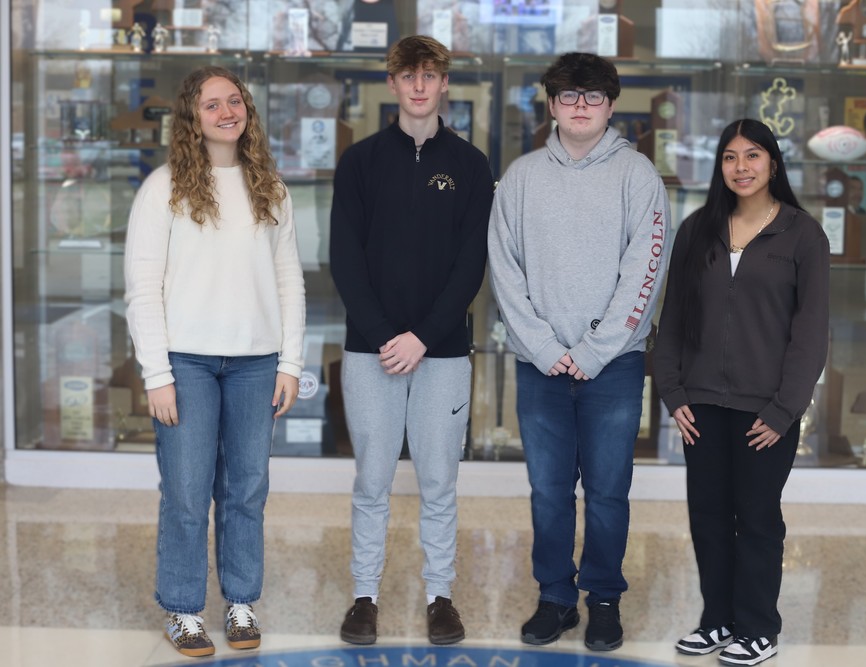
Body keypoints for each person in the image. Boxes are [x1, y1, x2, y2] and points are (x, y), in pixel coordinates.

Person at [488, 52, 669, 652]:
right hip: (540, 367)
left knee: (610, 488)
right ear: (552, 104)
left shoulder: (637, 176)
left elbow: (646, 271)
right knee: (548, 490)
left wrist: (593, 350)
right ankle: (556, 598)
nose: (581, 106)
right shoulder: (520, 178)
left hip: (613, 366)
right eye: (569, 96)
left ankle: (605, 599)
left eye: (593, 97)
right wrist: (543, 345)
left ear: (611, 105)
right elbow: (503, 268)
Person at [123, 66, 306, 658]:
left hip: (258, 364)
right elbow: (142, 287)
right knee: (186, 491)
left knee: (247, 489)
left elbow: (289, 282)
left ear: (246, 109)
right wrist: (158, 374)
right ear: (191, 117)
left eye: (234, 101)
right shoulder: (164, 187)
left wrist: (291, 363)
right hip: (187, 364)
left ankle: (241, 601)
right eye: (211, 104)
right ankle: (182, 609)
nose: (226, 111)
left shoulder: (270, 188)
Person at [328, 35, 493, 646]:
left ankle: (439, 597)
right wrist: (382, 337)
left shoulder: (471, 166)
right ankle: (364, 596)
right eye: (408, 76)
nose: (420, 86)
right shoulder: (360, 162)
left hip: (443, 352)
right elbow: (344, 260)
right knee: (372, 479)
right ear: (392, 84)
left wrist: (422, 337)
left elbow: (471, 265)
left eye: (431, 75)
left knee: (438, 482)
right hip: (370, 352)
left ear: (444, 83)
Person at [653, 118, 829, 666]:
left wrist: (784, 409)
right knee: (707, 513)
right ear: (719, 166)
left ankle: (758, 628)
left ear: (773, 163)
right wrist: (672, 392)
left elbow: (812, 332)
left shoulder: (802, 234)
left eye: (753, 156)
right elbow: (674, 318)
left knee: (756, 515)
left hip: (765, 409)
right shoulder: (697, 230)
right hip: (700, 403)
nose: (742, 167)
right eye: (730, 157)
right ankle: (718, 620)